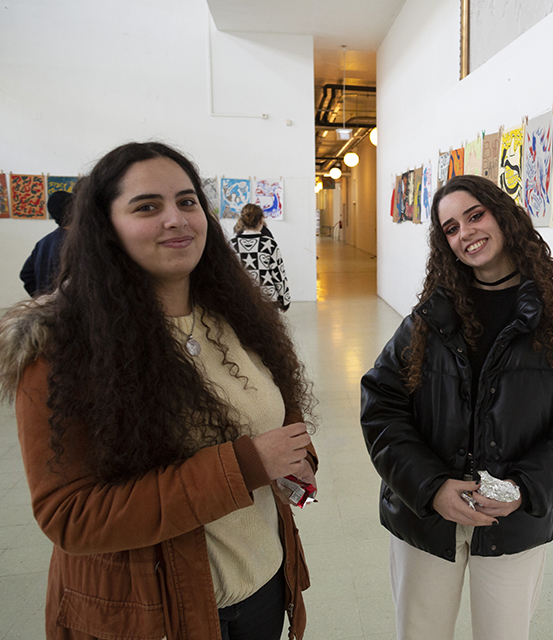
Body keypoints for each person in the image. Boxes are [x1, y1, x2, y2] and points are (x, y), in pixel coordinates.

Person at [0, 142, 317, 640]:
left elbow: (277, 415)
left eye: (188, 201)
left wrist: (296, 458)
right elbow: (71, 516)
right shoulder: (62, 346)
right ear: (106, 227)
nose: (176, 219)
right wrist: (247, 464)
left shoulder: (237, 316)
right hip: (153, 610)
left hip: (263, 585)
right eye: (147, 207)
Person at [360, 174, 553, 640]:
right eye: (451, 228)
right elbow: (381, 407)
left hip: (511, 522)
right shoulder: (430, 317)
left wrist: (525, 489)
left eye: (475, 215)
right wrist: (431, 488)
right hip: (426, 517)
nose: (466, 233)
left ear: (503, 216)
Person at [231, 203, 291, 312]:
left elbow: (228, 274)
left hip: (240, 299)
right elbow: (278, 273)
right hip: (267, 300)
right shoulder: (269, 244)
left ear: (242, 220)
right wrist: (285, 300)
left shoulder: (232, 244)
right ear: (261, 220)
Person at [19, 189, 73, 296]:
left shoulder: (44, 242)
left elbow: (26, 274)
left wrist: (41, 299)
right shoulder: (75, 244)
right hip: (67, 305)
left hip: (48, 305)